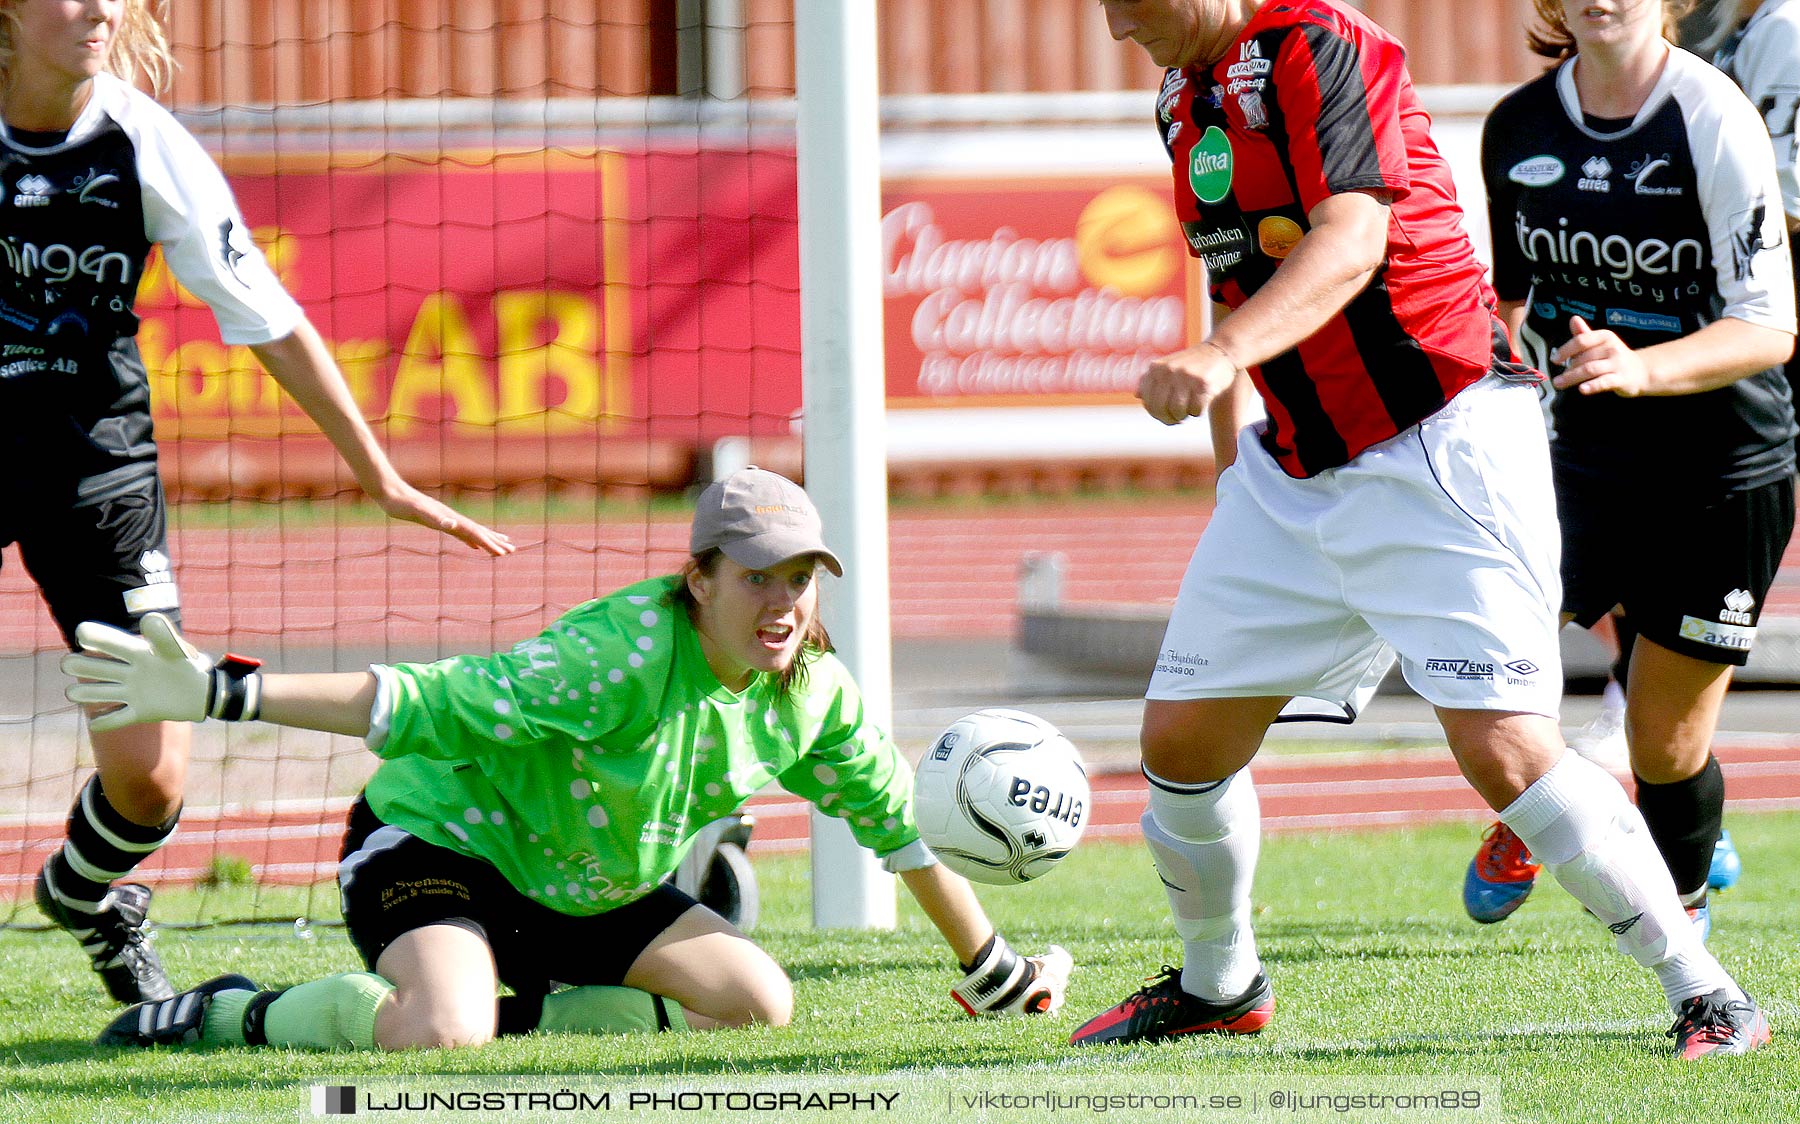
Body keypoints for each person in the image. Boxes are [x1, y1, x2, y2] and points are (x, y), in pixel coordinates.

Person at [1075, 0, 1771, 1058]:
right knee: (1180, 740)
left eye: (1130, 3)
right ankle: (1222, 984)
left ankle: (1709, 992)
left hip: (1437, 441)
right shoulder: (1186, 95)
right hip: (1295, 463)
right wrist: (1234, 469)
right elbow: (1239, 285)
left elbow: (1352, 239)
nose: (1121, 28)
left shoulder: (1319, 44)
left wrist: (1218, 359)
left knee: (1505, 751)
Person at [64, 467, 1073, 1050]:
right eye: (758, 575)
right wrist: (221, 691)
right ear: (700, 579)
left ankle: (509, 999)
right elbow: (426, 702)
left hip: (587, 884)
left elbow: (898, 827)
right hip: (443, 841)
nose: (784, 602)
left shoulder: (812, 690)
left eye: (803, 576)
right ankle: (231, 1009)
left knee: (759, 1002)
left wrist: (994, 971)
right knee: (446, 1035)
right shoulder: (615, 657)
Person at [4, 0, 515, 1007]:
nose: (101, 7)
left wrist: (380, 474)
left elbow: (269, 321)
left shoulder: (146, 145)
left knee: (152, 783)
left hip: (93, 473)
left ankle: (85, 895)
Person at [1465, 0, 1795, 946]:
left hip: (1725, 470)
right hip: (1585, 461)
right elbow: (1512, 303)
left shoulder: (1715, 115)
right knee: (1486, 654)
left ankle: (1689, 959)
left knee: (1664, 745)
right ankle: (1539, 806)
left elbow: (1771, 325)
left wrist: (1641, 366)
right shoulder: (1517, 125)